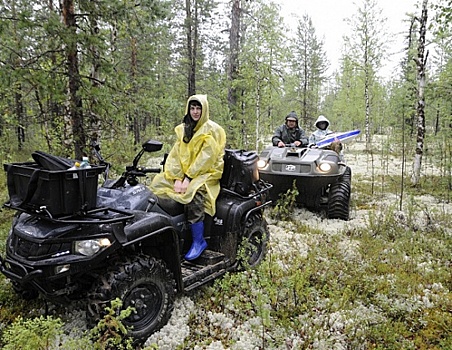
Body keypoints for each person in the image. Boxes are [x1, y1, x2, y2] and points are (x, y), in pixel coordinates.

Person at [150, 94, 226, 261]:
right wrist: (177, 177)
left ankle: (199, 241)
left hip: (208, 172)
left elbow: (206, 158)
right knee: (159, 183)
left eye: (199, 108)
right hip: (186, 172)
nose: (195, 111)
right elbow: (176, 155)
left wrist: (188, 179)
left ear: (204, 109)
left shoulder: (212, 130)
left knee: (194, 195)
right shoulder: (185, 128)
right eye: (192, 108)